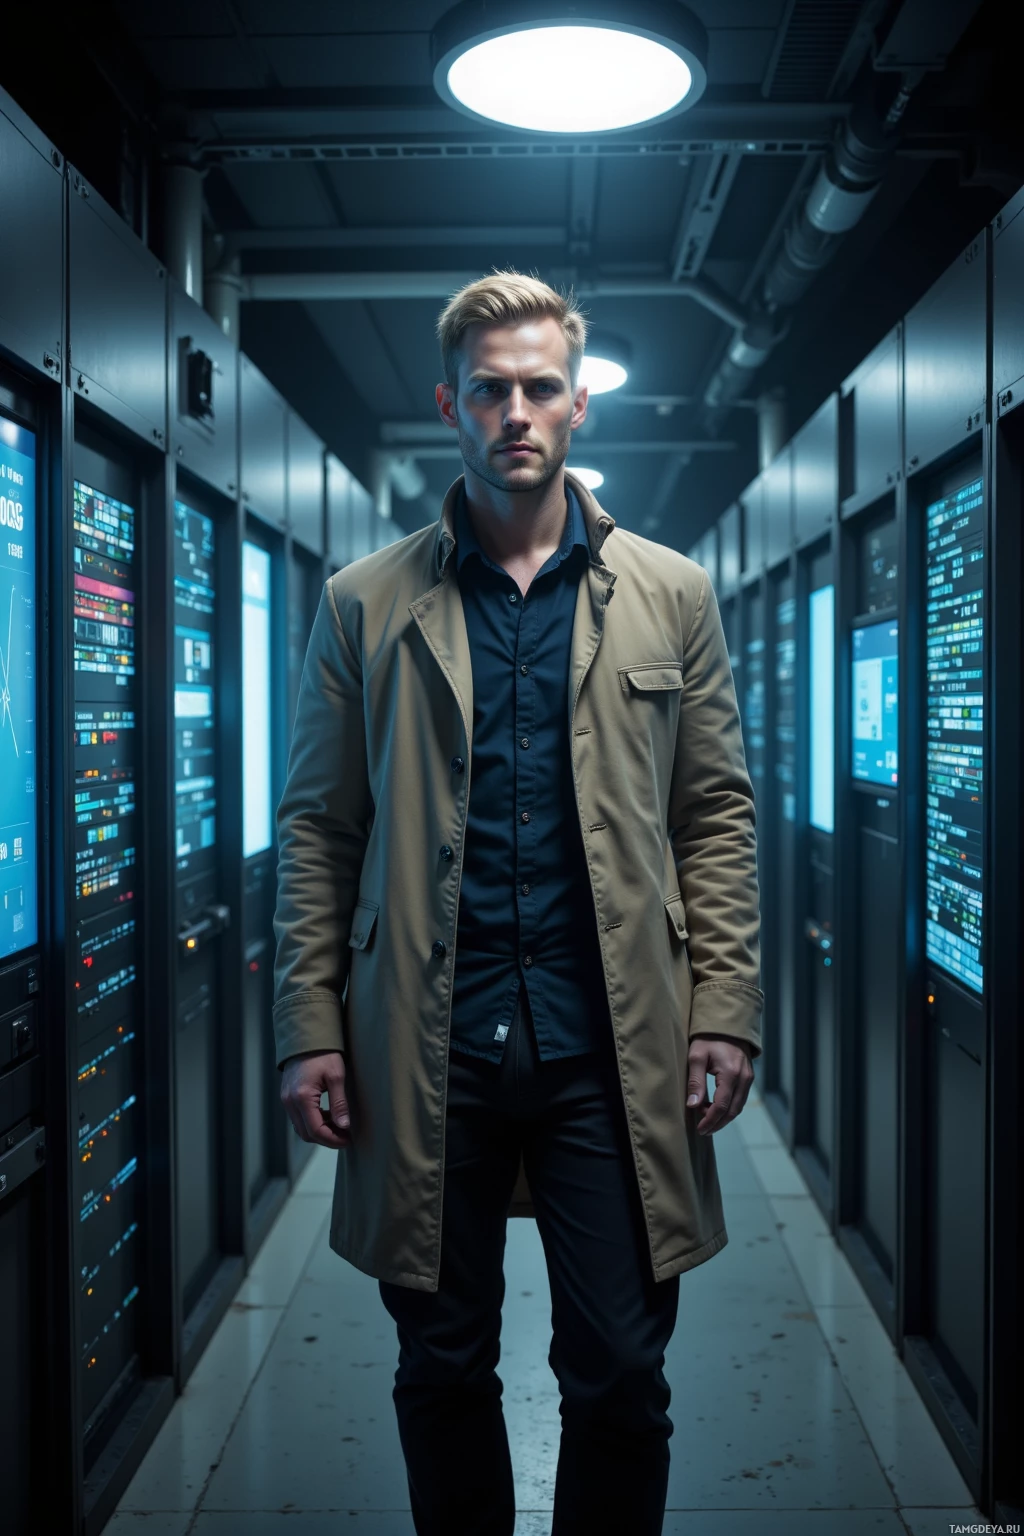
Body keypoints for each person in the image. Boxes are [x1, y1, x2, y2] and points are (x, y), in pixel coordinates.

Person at [272, 271, 762, 1536]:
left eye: (540, 386)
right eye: (488, 390)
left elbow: (714, 817)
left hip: (614, 1043)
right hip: (427, 1043)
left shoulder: (671, 595)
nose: (516, 412)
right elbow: (321, 830)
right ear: (450, 405)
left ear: (580, 402)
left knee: (620, 1381)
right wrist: (310, 1029)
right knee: (440, 1369)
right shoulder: (364, 604)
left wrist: (727, 1010)